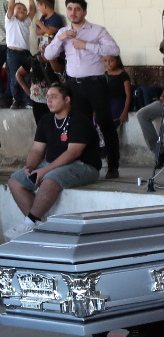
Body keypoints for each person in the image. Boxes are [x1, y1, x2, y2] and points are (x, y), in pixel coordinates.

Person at [5, 85, 102, 239]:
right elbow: (37, 149)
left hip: (83, 166)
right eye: (48, 96)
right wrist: (30, 166)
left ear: (67, 100)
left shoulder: (79, 120)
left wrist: (44, 170)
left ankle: (30, 222)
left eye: (54, 97)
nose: (49, 100)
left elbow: (73, 153)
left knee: (49, 180)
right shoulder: (46, 120)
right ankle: (35, 224)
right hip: (52, 164)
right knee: (15, 182)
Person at [44, 0, 123, 179]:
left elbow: (114, 50)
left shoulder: (97, 30)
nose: (73, 12)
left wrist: (87, 45)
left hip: (96, 84)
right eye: (70, 9)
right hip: (73, 86)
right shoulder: (62, 32)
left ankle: (113, 166)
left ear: (84, 12)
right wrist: (60, 38)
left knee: (105, 124)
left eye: (77, 9)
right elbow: (48, 54)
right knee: (80, 126)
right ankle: (89, 163)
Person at [5, 0, 35, 109]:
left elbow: (32, 11)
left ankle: (27, 99)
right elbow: (11, 7)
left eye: (24, 9)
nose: (22, 11)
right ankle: (17, 100)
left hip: (26, 53)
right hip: (13, 53)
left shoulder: (26, 22)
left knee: (28, 77)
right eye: (19, 9)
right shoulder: (11, 21)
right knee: (14, 77)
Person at [104, 55, 131, 127]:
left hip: (118, 103)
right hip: (106, 103)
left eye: (111, 60)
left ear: (117, 61)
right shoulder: (104, 75)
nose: (108, 63)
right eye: (105, 61)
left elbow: (128, 95)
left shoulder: (123, 75)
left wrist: (125, 111)